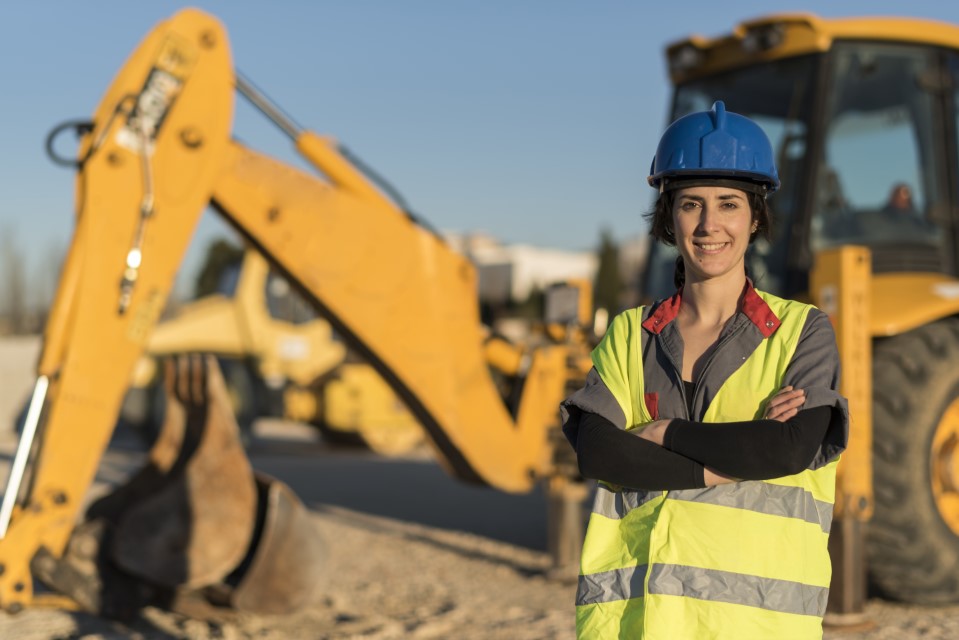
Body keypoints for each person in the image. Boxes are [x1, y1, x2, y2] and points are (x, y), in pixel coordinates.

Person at [561, 101, 849, 639]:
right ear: (669, 216)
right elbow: (600, 452)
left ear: (756, 216)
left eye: (729, 204)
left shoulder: (802, 332)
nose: (710, 224)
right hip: (638, 619)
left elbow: (787, 450)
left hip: (757, 623)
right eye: (692, 204)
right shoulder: (630, 332)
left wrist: (665, 434)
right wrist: (726, 461)